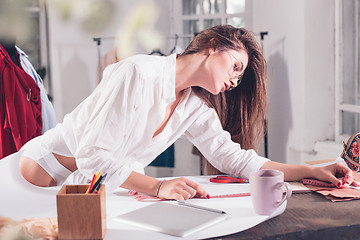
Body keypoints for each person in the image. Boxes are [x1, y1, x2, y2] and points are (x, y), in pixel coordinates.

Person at [18, 25, 356, 200]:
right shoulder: (137, 72)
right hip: (45, 174)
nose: (235, 81)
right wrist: (156, 186)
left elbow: (233, 159)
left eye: (240, 77)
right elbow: (90, 154)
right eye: (235, 67)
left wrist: (310, 170)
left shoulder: (196, 105)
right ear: (213, 46)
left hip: (96, 189)